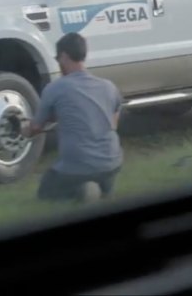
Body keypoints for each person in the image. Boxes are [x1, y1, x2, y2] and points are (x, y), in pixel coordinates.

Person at [23, 33, 124, 203]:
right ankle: (104, 188)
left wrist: (22, 129)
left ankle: (83, 191)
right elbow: (113, 124)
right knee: (102, 174)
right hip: (112, 162)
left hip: (78, 165)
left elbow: (35, 128)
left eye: (57, 58)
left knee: (45, 191)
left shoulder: (55, 88)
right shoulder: (108, 86)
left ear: (63, 56)